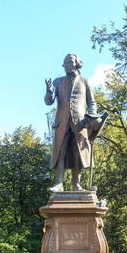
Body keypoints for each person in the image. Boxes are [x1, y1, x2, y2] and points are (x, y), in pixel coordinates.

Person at [44, 54, 97, 192]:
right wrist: (49, 92)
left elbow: (91, 102)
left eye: (70, 62)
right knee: (60, 152)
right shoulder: (57, 82)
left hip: (80, 123)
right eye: (65, 62)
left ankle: (76, 184)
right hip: (61, 123)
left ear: (77, 64)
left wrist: (90, 117)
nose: (67, 64)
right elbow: (49, 102)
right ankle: (59, 183)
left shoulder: (85, 82)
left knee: (77, 152)